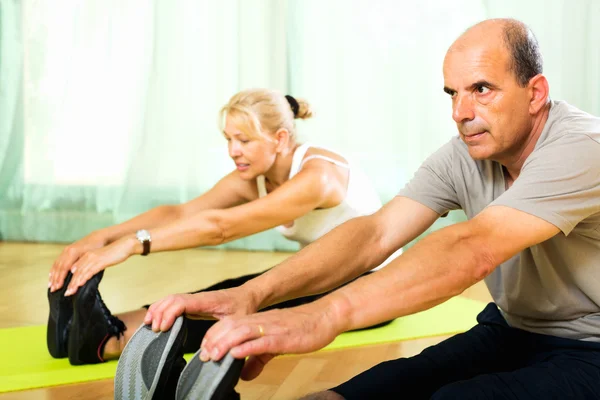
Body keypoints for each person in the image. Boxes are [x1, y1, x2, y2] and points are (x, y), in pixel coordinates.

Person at [146, 18, 600, 399]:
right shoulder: (467, 153)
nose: (461, 111)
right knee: (349, 395)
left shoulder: (581, 147)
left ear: (535, 92)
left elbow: (472, 247)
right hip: (511, 328)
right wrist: (253, 295)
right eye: (452, 93)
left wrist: (322, 316)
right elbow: (376, 234)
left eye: (482, 89)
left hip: (592, 348)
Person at [46, 88, 401, 366]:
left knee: (242, 308)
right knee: (230, 291)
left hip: (375, 285)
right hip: (327, 268)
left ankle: (111, 342)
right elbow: (181, 213)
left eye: (244, 140)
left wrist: (132, 245)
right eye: (229, 139)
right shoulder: (254, 175)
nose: (233, 150)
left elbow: (221, 227)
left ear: (279, 139)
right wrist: (100, 238)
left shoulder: (318, 177)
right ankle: (81, 331)